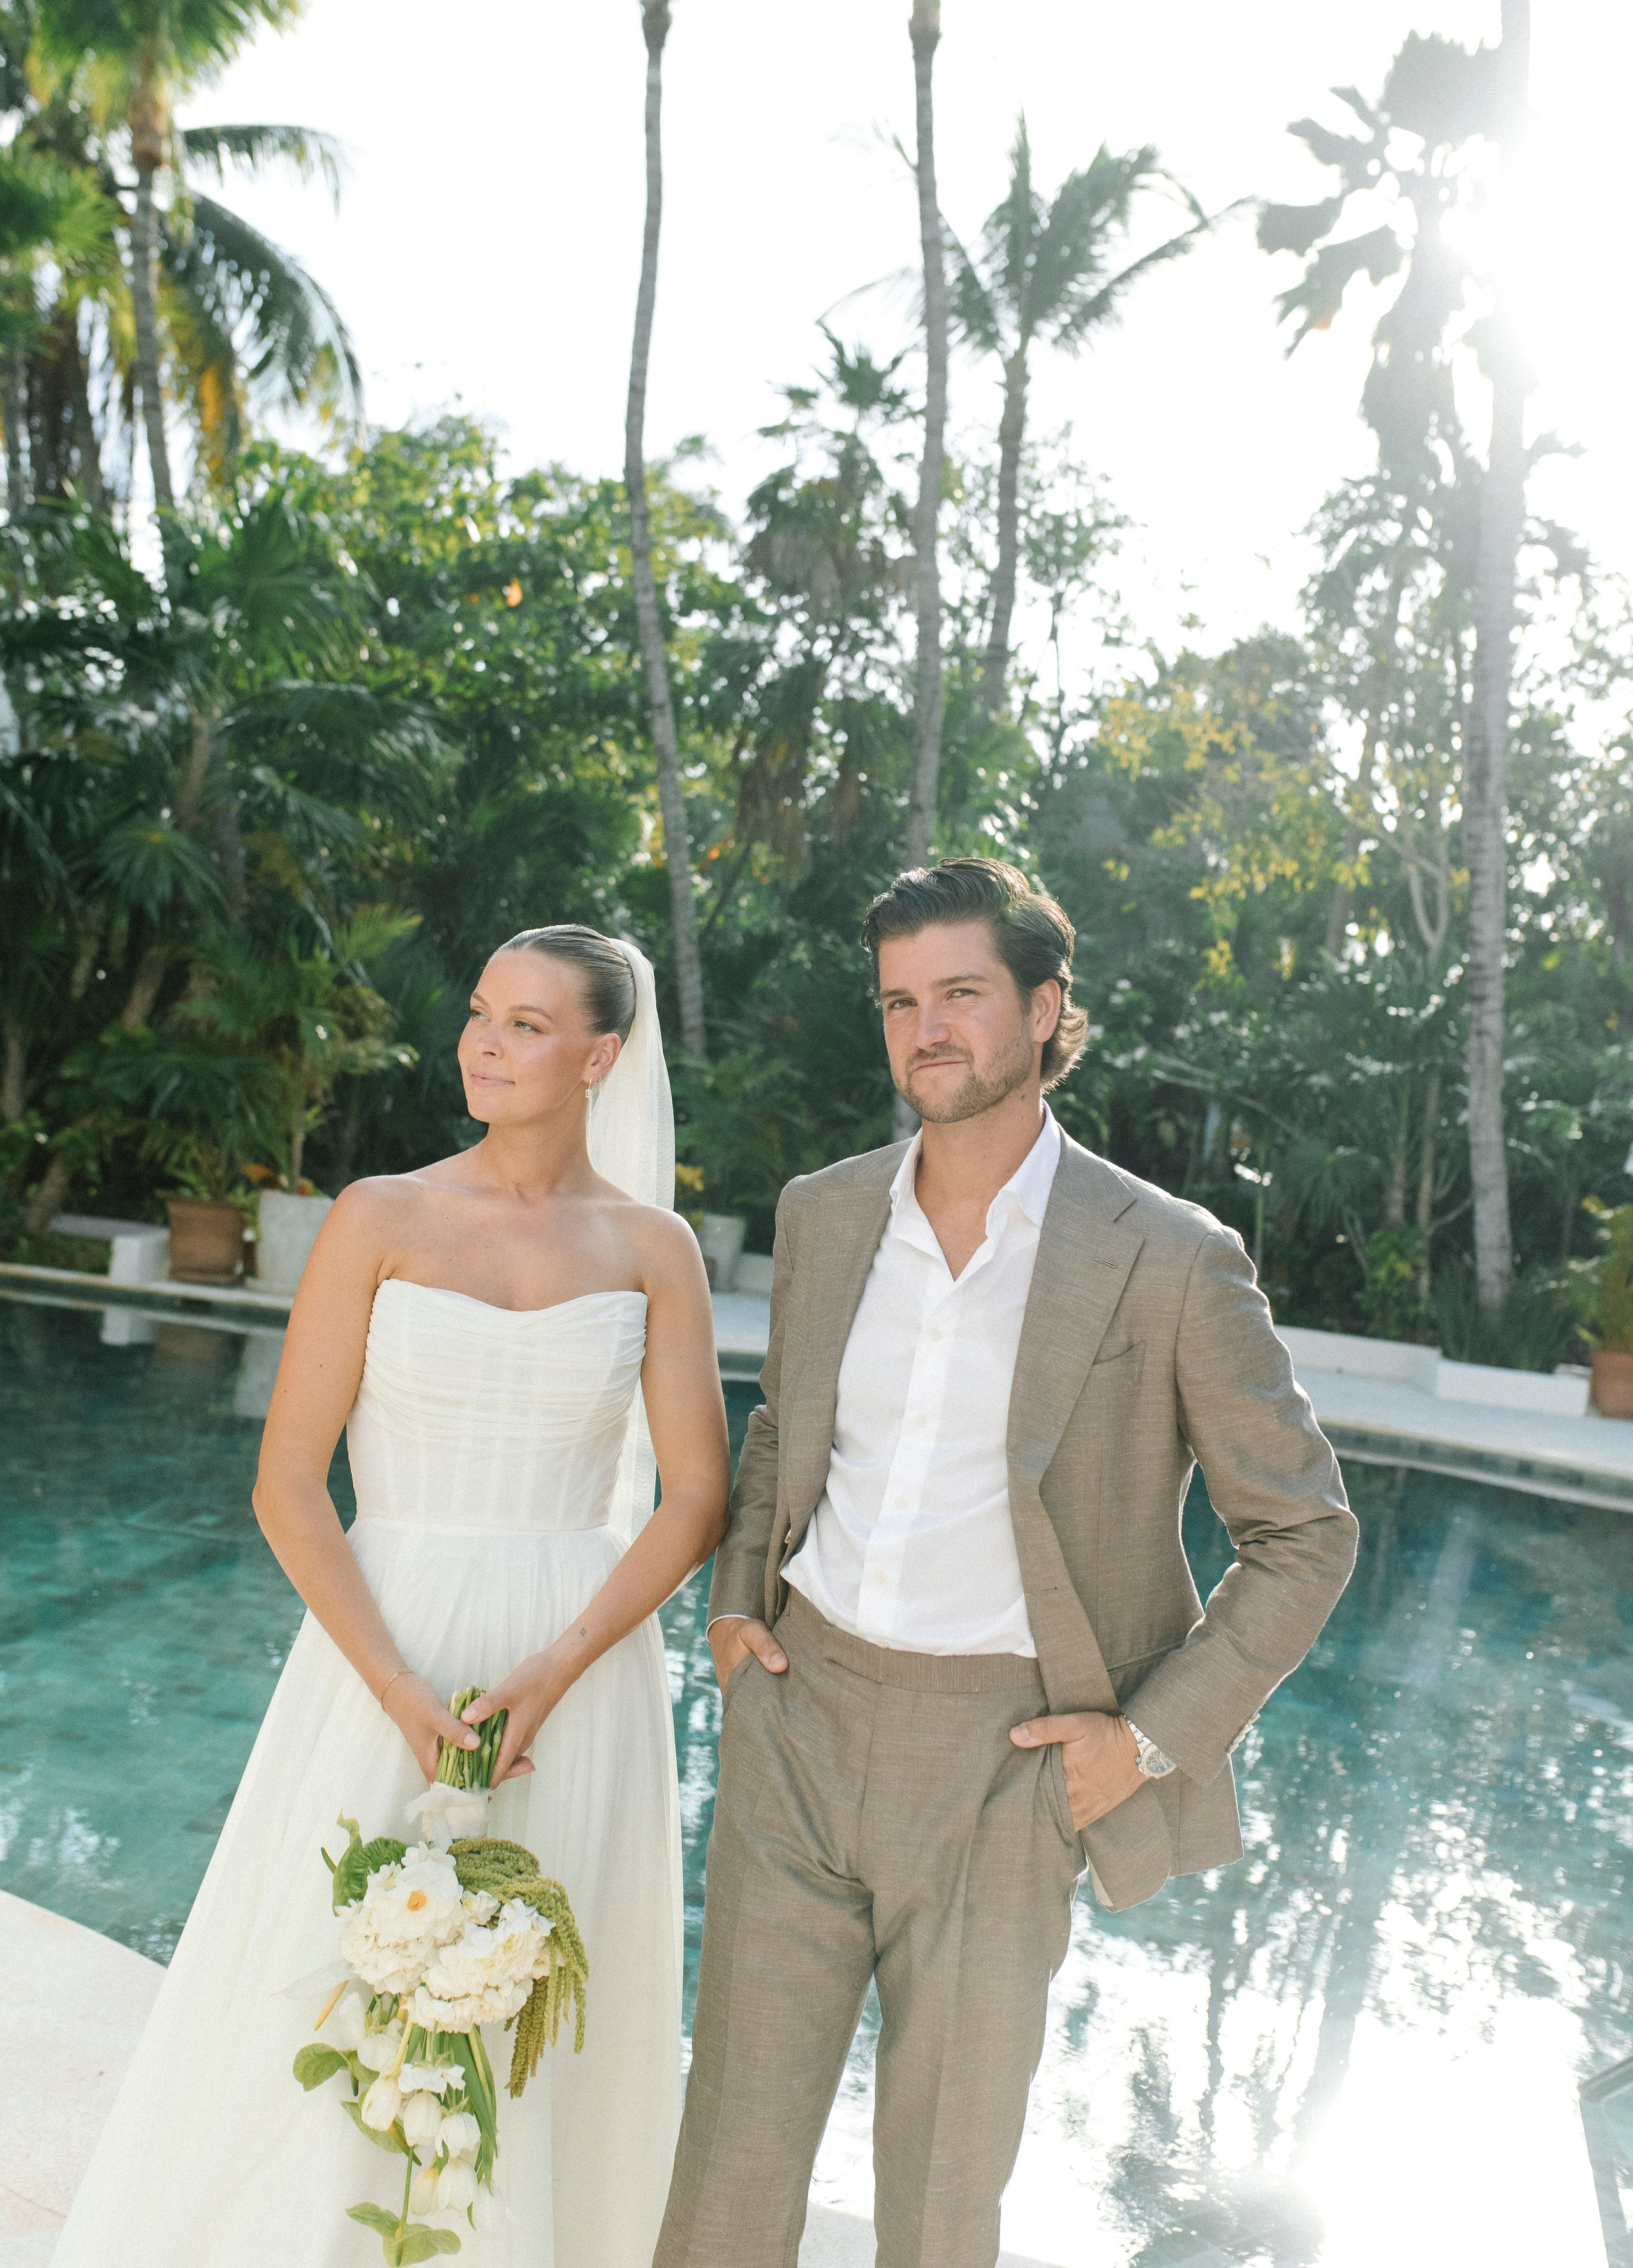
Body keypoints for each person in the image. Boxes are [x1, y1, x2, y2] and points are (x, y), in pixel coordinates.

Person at [656, 858, 1359, 2268]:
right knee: (727, 2158)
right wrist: (738, 1610)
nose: (926, 1029)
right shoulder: (825, 1211)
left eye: (961, 995)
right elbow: (787, 1425)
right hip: (799, 1719)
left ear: (1044, 1011)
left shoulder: (1165, 1256)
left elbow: (1304, 1533)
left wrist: (1146, 1743)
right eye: (899, 1001)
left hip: (1005, 1758)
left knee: (937, 2193)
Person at [55, 925, 728, 2268]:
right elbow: (289, 1481)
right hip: (388, 1641)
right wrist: (404, 1689)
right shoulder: (380, 1214)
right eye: (482, 1012)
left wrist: (556, 1670)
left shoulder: (655, 1251)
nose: (485, 1040)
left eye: (528, 1024)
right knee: (324, 1985)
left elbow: (695, 1498)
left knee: (532, 2017)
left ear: (601, 1056)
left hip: (575, 1669)